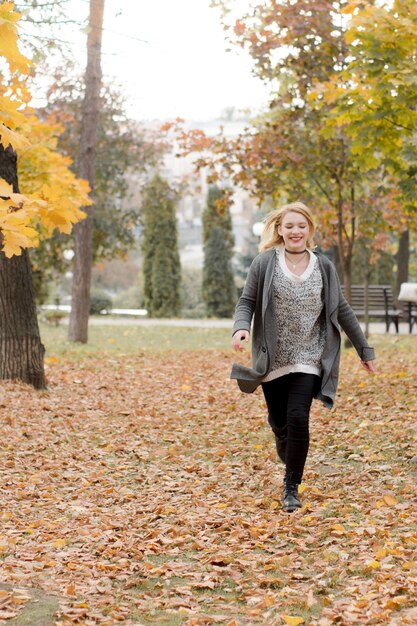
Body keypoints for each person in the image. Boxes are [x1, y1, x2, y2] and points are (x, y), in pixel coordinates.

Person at [231, 202, 376, 512]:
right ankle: (280, 433)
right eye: (289, 226)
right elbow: (247, 301)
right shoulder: (264, 263)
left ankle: (291, 487)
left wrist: (365, 349)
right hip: (272, 359)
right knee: (280, 420)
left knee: (299, 418)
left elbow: (342, 309)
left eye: (301, 226)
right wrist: (241, 329)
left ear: (309, 229)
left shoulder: (323, 266)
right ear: (280, 230)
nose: (295, 231)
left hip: (310, 356)